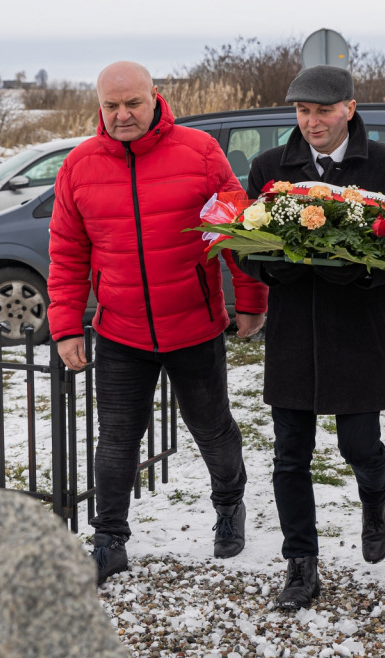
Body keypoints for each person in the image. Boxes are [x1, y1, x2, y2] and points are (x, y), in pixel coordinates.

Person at [47, 61, 268, 585]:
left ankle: (229, 506)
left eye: (133, 103)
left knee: (212, 431)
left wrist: (253, 297)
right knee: (117, 439)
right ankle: (109, 540)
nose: (123, 115)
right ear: (98, 107)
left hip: (193, 325)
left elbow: (237, 226)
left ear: (155, 99)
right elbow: (66, 253)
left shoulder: (200, 152)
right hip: (121, 329)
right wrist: (65, 326)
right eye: (111, 106)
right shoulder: (78, 166)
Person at [234, 65, 385, 610]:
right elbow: (248, 245)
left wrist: (362, 271)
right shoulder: (272, 169)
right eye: (302, 112)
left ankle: (377, 499)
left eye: (322, 111)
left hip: (357, 330)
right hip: (292, 331)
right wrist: (276, 268)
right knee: (290, 454)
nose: (311, 122)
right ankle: (301, 563)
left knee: (357, 444)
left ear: (350, 108)